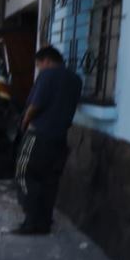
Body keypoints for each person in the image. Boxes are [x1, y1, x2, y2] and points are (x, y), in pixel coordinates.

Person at [12, 46, 83, 235]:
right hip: (59, 139)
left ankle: (31, 222)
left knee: (24, 175)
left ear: (47, 61)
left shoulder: (48, 75)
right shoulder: (76, 80)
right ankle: (44, 223)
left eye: (39, 65)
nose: (39, 69)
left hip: (38, 136)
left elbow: (35, 105)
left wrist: (24, 123)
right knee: (49, 181)